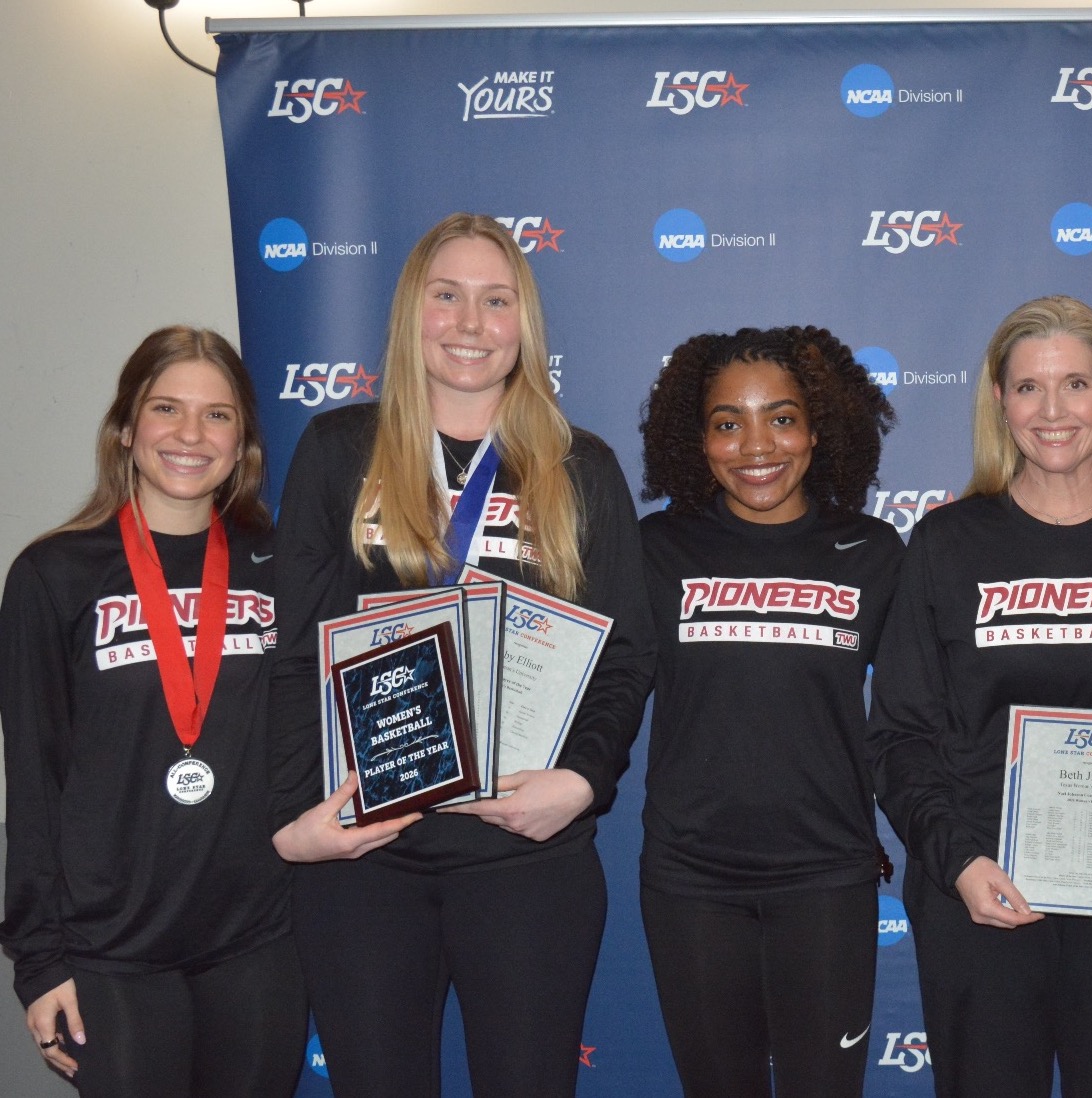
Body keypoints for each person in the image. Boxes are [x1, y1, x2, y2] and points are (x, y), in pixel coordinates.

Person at [267, 213, 656, 1097]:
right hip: (367, 853)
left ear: (525, 323)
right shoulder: (339, 453)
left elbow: (624, 656)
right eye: (446, 297)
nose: (470, 323)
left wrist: (583, 782)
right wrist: (296, 819)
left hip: (523, 856)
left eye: (495, 300)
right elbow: (293, 657)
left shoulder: (577, 467)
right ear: (413, 312)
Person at [867, 295, 1092, 1098]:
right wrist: (957, 863)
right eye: (1028, 388)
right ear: (998, 400)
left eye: (1074, 385)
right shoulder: (947, 544)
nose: (1052, 411)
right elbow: (900, 735)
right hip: (982, 898)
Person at [0, 327, 303, 1096]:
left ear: (244, 444)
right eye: (167, 408)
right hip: (112, 947)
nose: (191, 435)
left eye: (218, 416)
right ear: (128, 428)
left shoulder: (280, 568)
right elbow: (33, 781)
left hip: (256, 938)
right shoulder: (52, 575)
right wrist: (39, 960)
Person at [635, 325, 900, 1097]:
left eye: (781, 418)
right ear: (697, 440)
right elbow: (598, 692)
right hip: (691, 882)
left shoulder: (875, 552)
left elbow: (924, 718)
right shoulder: (656, 551)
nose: (757, 446)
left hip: (825, 877)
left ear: (820, 428)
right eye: (727, 423)